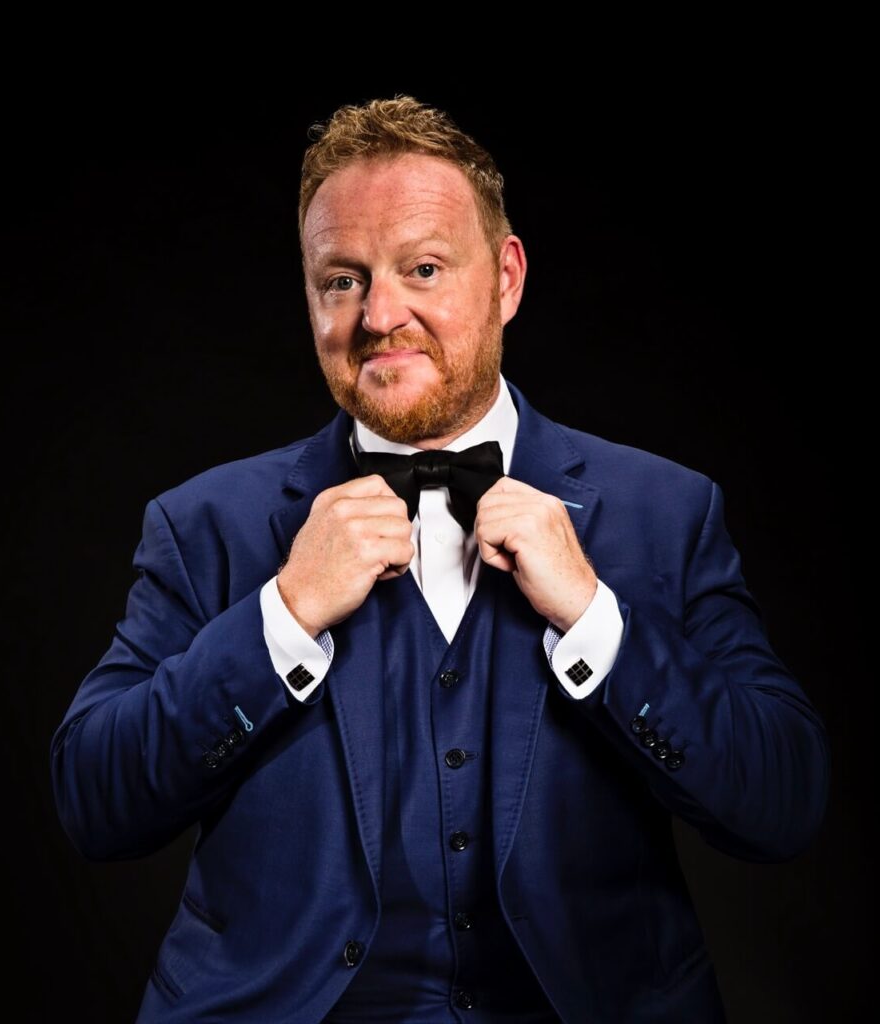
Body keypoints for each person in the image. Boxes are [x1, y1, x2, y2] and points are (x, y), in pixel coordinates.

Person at [50, 96, 830, 1024]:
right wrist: (282, 617)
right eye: (342, 279)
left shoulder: (666, 511)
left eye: (422, 268)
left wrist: (596, 619)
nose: (381, 315)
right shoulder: (204, 522)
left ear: (505, 278)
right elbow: (94, 802)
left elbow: (782, 802)